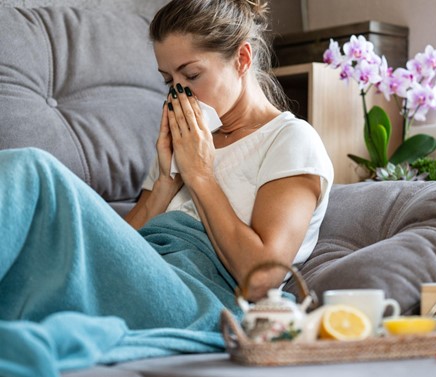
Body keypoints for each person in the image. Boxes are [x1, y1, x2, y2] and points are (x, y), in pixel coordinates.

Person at [0, 0, 333, 332]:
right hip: (140, 271)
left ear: (243, 59)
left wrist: (199, 175)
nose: (179, 92)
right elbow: (119, 243)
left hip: (199, 295)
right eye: (168, 80)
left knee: (32, 168)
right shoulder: (186, 140)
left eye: (191, 75)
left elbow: (261, 279)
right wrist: (164, 184)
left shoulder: (289, 140)